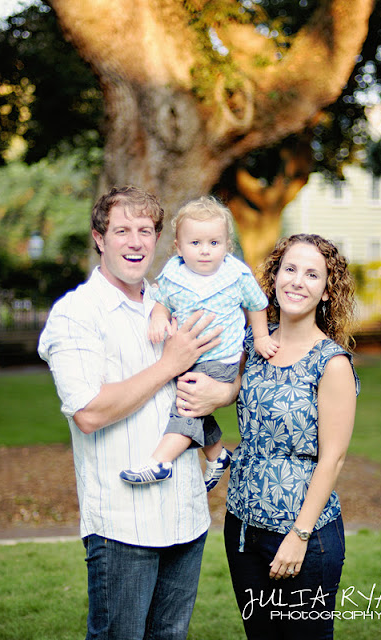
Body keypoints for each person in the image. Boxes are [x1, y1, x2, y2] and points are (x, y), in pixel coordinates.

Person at [38, 186, 240, 640]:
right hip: (123, 527)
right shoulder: (76, 314)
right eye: (122, 231)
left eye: (145, 231)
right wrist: (168, 364)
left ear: (158, 239)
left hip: (187, 517)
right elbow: (88, 413)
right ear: (99, 238)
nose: (135, 242)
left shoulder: (174, 299)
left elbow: (226, 368)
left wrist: (223, 393)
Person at [224, 233, 361, 640]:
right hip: (242, 528)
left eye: (312, 274)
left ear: (326, 291)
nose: (297, 281)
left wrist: (299, 536)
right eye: (290, 269)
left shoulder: (331, 363)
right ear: (275, 276)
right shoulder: (254, 342)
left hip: (305, 536)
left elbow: (333, 459)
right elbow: (222, 389)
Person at [120, 196, 278, 491]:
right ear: (179, 247)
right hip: (184, 356)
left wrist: (261, 337)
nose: (205, 250)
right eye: (195, 243)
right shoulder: (173, 275)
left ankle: (160, 461)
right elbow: (161, 302)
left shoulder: (236, 275)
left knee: (187, 406)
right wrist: (158, 318)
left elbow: (257, 304)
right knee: (195, 404)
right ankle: (217, 454)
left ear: (227, 245)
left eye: (214, 243)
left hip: (220, 358)